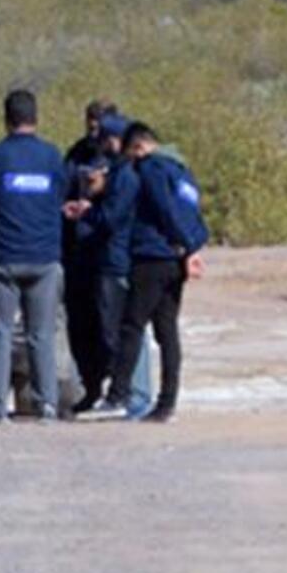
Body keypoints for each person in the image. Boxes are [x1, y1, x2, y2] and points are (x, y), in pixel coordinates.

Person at [0, 89, 72, 424]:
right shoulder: (52, 157)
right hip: (43, 257)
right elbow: (62, 195)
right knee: (41, 334)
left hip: (2, 257)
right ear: (35, 118)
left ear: (6, 118)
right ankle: (47, 405)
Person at [108, 123, 209, 423]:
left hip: (152, 256)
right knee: (167, 332)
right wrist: (193, 247)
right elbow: (194, 214)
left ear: (138, 147)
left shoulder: (151, 169)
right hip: (175, 261)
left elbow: (165, 209)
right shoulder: (182, 172)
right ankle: (167, 404)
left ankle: (117, 394)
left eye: (131, 156)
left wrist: (185, 243)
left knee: (132, 326)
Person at [68, 114, 153, 413]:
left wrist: (87, 211)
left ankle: (131, 395)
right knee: (109, 330)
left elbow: (112, 218)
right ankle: (119, 392)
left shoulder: (125, 176)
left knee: (123, 330)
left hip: (117, 261)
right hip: (104, 259)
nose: (104, 144)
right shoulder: (114, 172)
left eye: (107, 137)